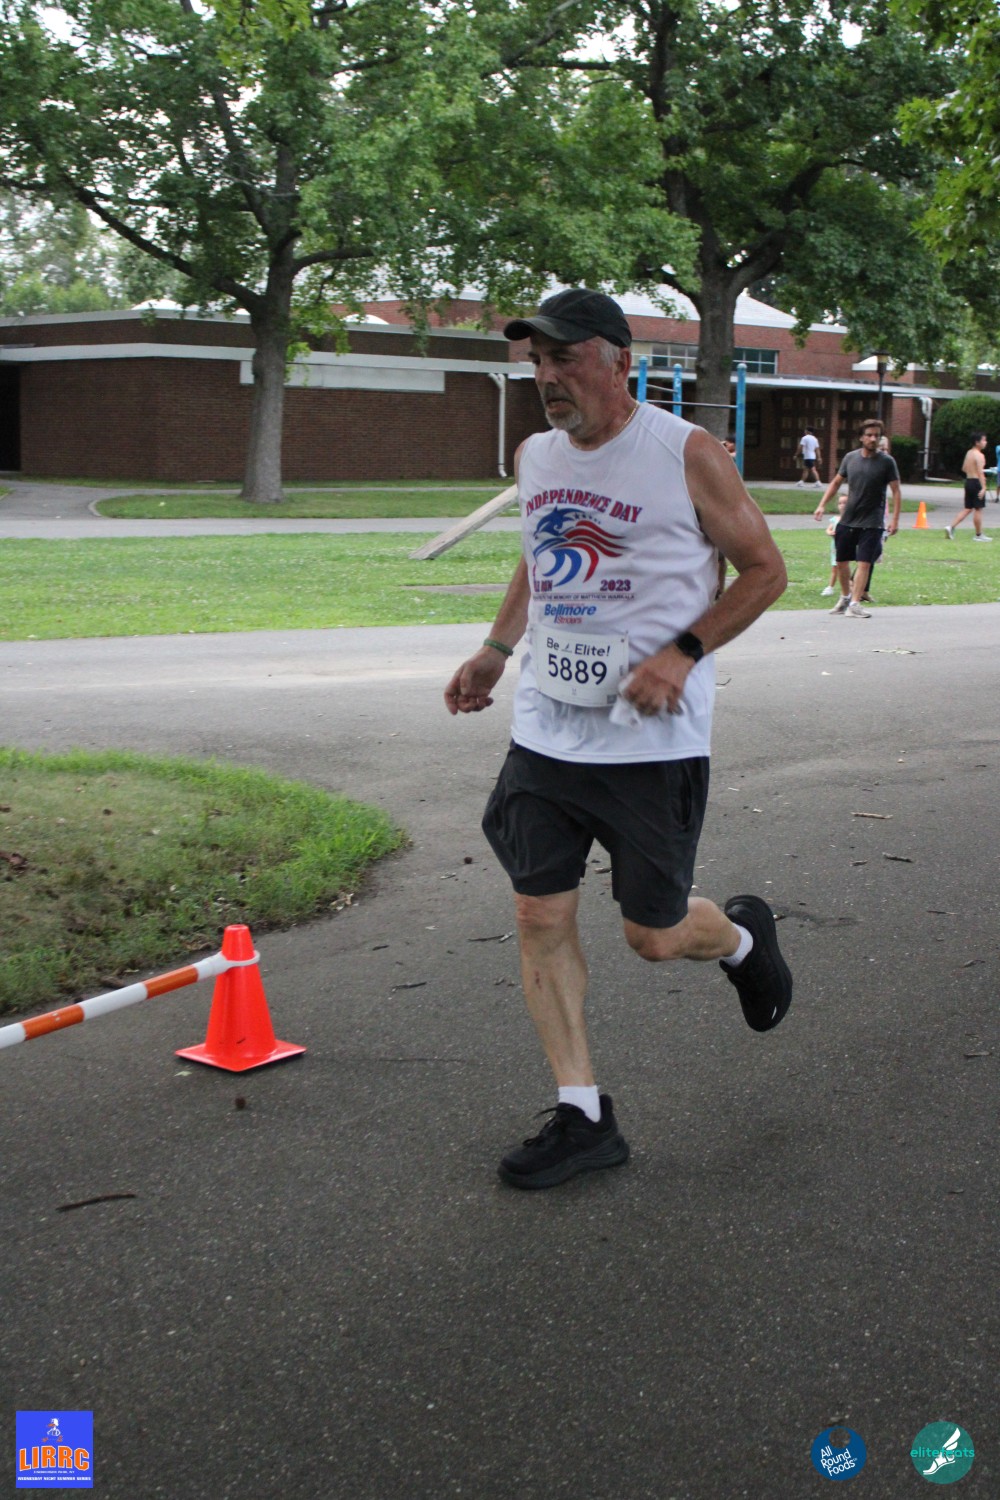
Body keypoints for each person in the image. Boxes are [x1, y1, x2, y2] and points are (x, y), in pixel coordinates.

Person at [443, 288, 792, 1191]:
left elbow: (765, 570)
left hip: (651, 744)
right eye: (537, 362)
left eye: (565, 358)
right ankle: (583, 1114)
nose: (547, 377)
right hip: (547, 732)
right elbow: (539, 551)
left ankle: (742, 941)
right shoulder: (536, 455)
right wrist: (495, 651)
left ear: (620, 361)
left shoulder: (685, 452)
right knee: (538, 913)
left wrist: (683, 651)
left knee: (654, 935)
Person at [813, 417, 901, 618]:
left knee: (864, 563)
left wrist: (895, 519)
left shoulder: (887, 462)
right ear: (861, 437)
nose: (873, 439)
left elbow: (896, 491)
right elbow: (836, 483)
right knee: (841, 562)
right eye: (869, 435)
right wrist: (822, 505)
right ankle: (845, 598)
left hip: (873, 521)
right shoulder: (850, 458)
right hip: (849, 519)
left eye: (876, 436)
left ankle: (855, 603)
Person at [946, 433, 991, 541]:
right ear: (977, 442)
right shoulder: (980, 455)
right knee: (978, 509)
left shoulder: (969, 453)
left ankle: (951, 527)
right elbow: (980, 472)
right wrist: (984, 487)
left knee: (968, 508)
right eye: (984, 440)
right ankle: (978, 535)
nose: (985, 442)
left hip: (968, 481)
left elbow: (964, 468)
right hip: (976, 482)